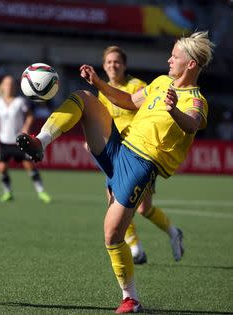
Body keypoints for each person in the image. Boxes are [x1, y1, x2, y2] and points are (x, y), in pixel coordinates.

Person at [17, 31, 214, 313]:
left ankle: (130, 299)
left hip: (142, 165)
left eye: (175, 56)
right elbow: (130, 102)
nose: (169, 59)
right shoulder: (160, 82)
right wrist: (98, 83)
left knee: (111, 234)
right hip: (120, 146)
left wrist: (173, 111)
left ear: (191, 64)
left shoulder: (195, 99)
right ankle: (40, 141)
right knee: (84, 97)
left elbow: (193, 123)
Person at [98, 46, 184, 265]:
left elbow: (150, 112)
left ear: (124, 65)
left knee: (144, 208)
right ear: (104, 66)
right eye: (108, 62)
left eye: (116, 61)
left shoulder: (137, 86)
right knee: (115, 200)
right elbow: (103, 118)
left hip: (140, 153)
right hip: (117, 153)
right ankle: (136, 249)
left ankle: (174, 232)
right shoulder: (104, 90)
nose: (112, 65)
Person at [0, 75, 51, 203]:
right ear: (2, 86)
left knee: (29, 166)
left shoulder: (20, 101)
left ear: (14, 87)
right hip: (4, 141)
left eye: (11, 84)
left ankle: (41, 191)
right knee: (2, 168)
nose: (9, 86)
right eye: (6, 84)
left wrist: (26, 127)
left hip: (19, 142)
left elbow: (30, 116)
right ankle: (7, 192)